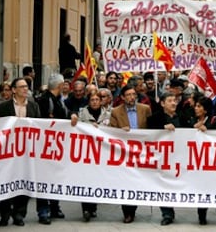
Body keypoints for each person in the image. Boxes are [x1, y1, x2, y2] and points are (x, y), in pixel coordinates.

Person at [0, 78, 41, 227]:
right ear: (13, 90)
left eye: (26, 87)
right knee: (6, 182)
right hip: (8, 152)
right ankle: (5, 213)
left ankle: (19, 214)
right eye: (22, 87)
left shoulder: (34, 106)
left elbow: (39, 126)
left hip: (27, 152)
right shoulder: (3, 107)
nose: (25, 89)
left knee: (24, 183)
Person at [109, 84, 152, 223]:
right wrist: (121, 130)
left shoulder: (145, 109)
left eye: (133, 94)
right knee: (125, 181)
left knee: (136, 181)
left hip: (141, 151)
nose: (131, 97)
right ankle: (127, 212)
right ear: (122, 97)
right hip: (124, 152)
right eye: (128, 95)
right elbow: (111, 131)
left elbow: (151, 128)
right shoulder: (116, 111)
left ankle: (132, 209)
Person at [71, 90, 111, 221]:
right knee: (86, 179)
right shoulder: (81, 113)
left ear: (101, 101)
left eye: (97, 100)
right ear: (89, 101)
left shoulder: (108, 115)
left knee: (97, 180)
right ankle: (86, 209)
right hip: (86, 152)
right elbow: (75, 127)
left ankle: (93, 207)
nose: (95, 102)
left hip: (101, 152)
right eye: (92, 100)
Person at [147, 92, 186, 225]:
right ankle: (167, 213)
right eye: (170, 100)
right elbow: (147, 133)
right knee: (163, 185)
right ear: (162, 103)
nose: (173, 103)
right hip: (162, 159)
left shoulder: (182, 117)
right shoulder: (154, 118)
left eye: (174, 100)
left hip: (180, 158)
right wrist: (162, 129)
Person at [34, 74, 67, 225]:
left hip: (56, 145)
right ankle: (43, 211)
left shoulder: (57, 100)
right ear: (59, 86)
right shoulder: (44, 100)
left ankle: (54, 207)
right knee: (43, 178)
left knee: (55, 177)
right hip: (45, 145)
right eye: (63, 85)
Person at [190, 96, 216, 225]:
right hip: (194, 160)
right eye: (195, 106)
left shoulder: (214, 121)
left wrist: (208, 132)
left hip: (210, 160)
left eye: (199, 106)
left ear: (206, 110)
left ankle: (203, 212)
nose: (196, 108)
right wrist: (193, 129)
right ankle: (201, 213)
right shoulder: (190, 120)